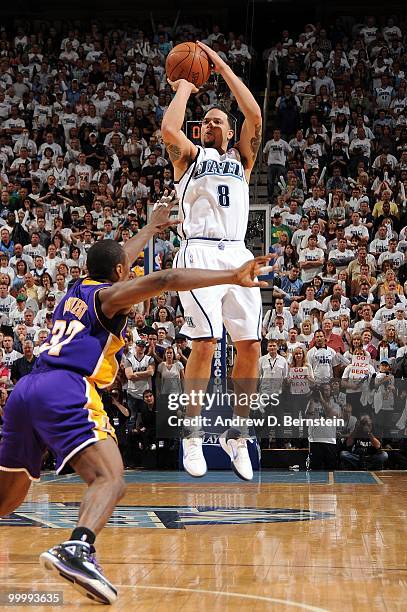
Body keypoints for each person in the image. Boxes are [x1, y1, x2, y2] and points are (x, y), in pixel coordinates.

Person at [0, 193, 269, 604]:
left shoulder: (78, 287)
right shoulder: (109, 297)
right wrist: (230, 276)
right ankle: (77, 548)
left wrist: (150, 227)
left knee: (8, 498)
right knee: (111, 479)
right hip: (66, 388)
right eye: (126, 271)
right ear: (121, 274)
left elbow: (116, 257)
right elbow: (163, 280)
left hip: (27, 389)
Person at [161, 40, 263, 480]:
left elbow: (254, 114)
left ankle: (237, 436)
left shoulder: (242, 160)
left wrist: (218, 66)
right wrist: (185, 85)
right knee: (204, 343)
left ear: (229, 128)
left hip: (239, 252)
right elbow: (169, 129)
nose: (207, 124)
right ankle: (193, 433)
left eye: (216, 120)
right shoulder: (189, 158)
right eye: (204, 121)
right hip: (199, 249)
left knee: (251, 347)